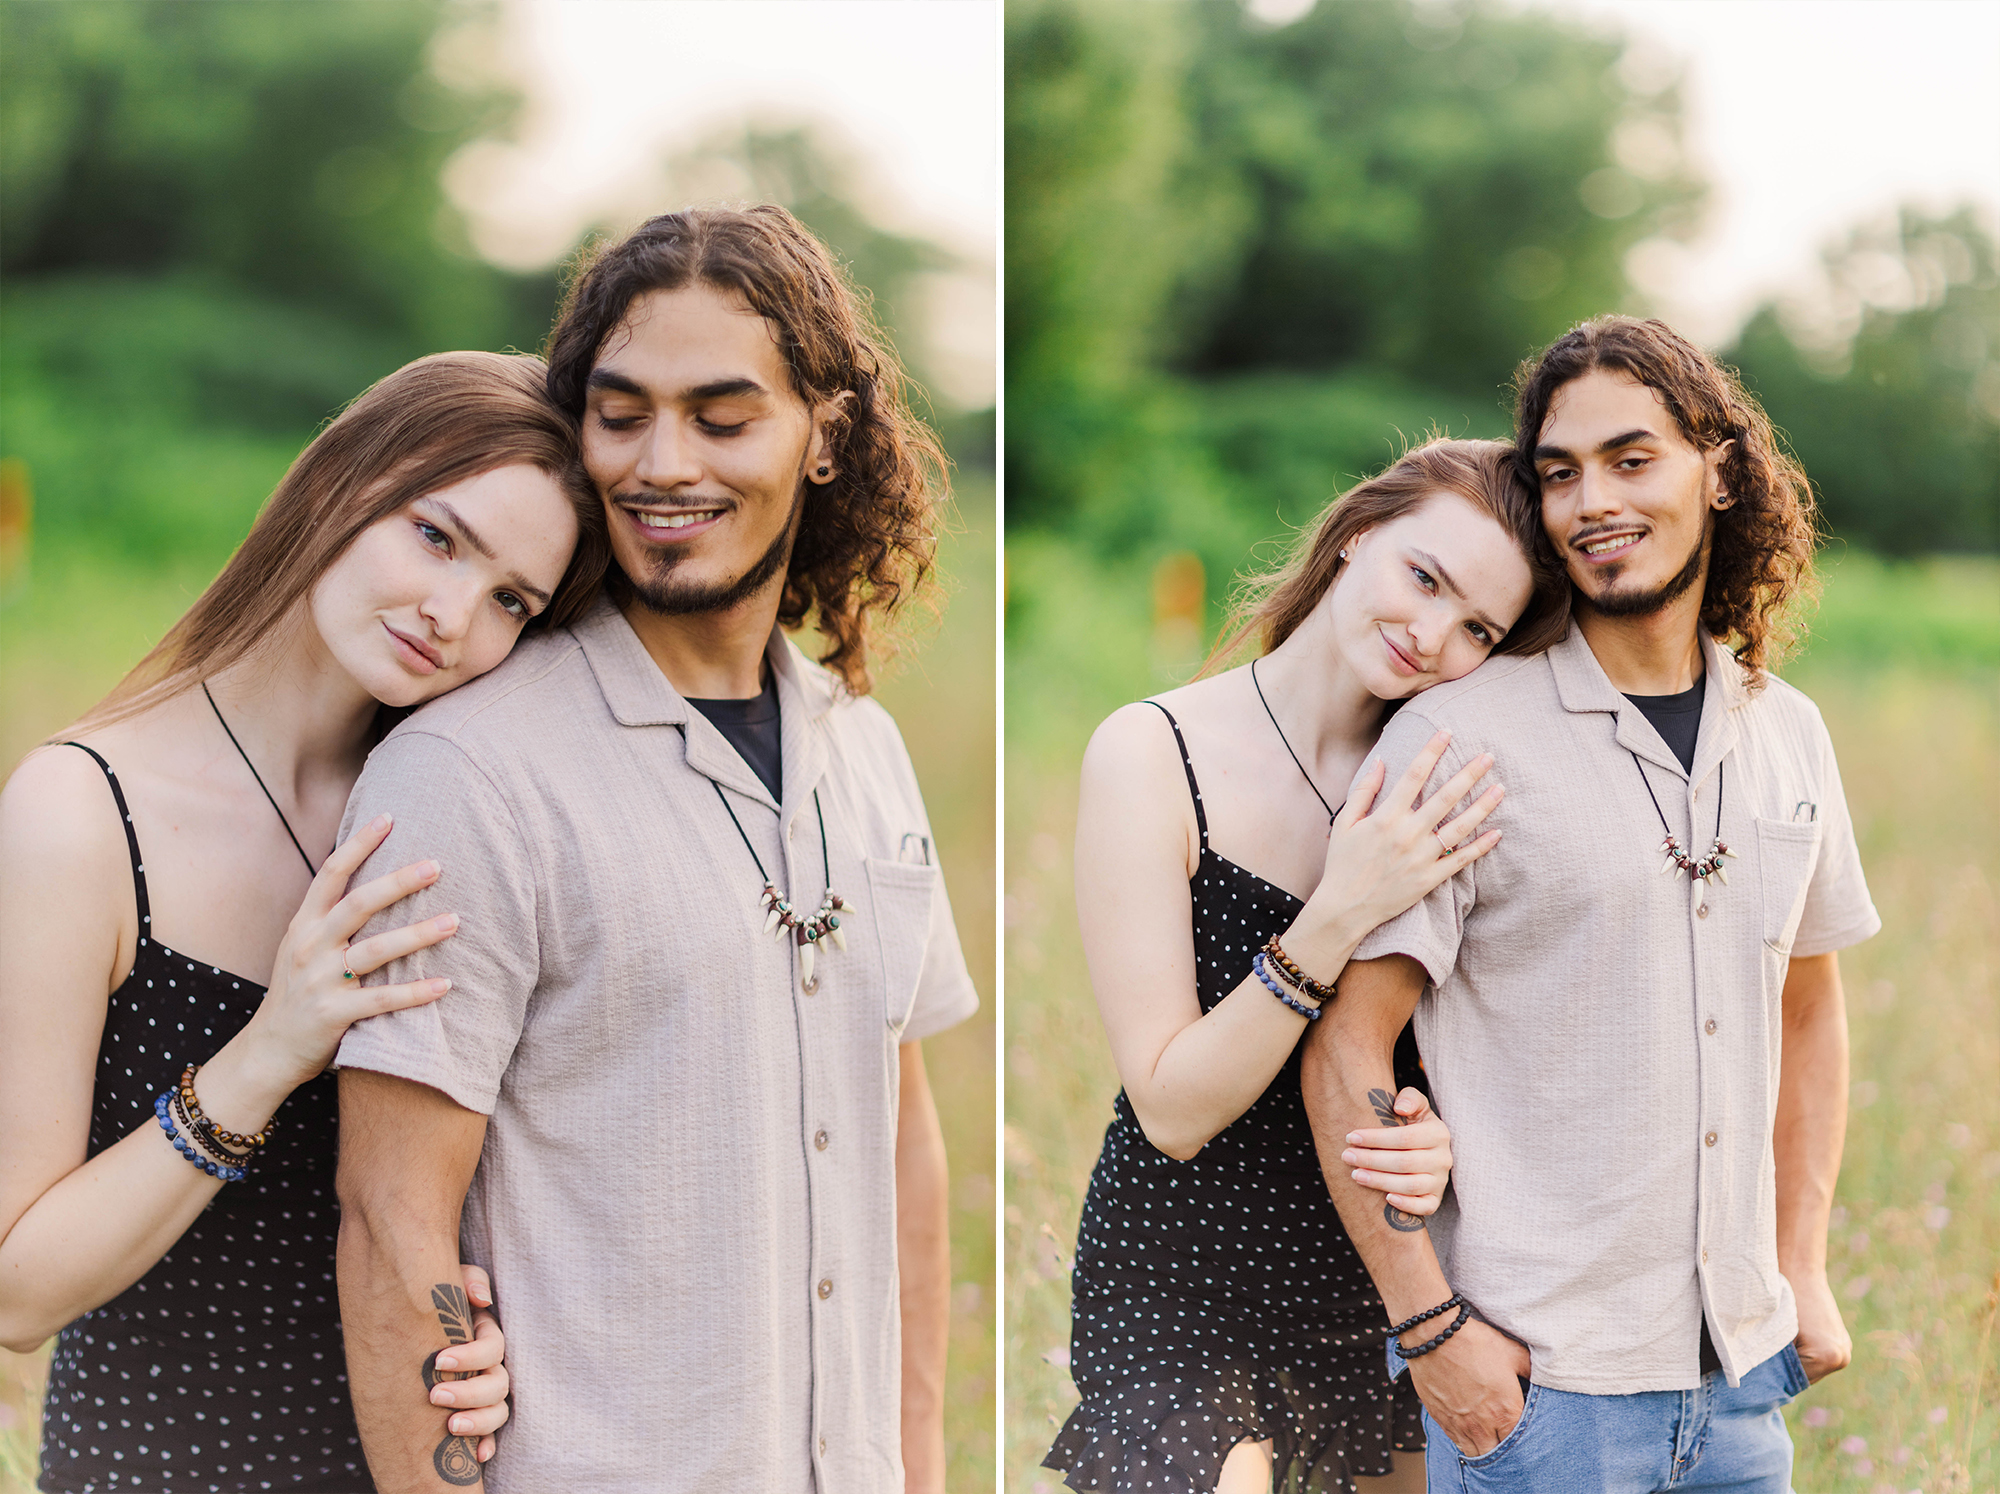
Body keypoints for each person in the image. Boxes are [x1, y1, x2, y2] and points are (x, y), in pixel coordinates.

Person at [329, 206, 979, 1494]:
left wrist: (916, 1466)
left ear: (825, 436)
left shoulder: (867, 748)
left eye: (722, 418)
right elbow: (390, 1218)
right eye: (620, 415)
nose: (659, 463)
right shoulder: (471, 772)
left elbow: (902, 1149)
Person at [0, 350, 608, 1492]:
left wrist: (481, 1333)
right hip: (162, 1465)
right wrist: (270, 1051)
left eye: (510, 602)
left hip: (409, 1458)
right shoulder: (79, 813)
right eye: (438, 537)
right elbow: (16, 1289)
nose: (451, 614)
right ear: (340, 481)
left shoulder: (456, 821)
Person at [1299, 316, 1878, 1493]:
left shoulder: (1789, 733)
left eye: (1630, 459)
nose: (1589, 501)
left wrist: (1801, 1263)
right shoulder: (1459, 736)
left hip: (1741, 1391)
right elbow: (1343, 1040)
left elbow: (1808, 1012)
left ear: (1716, 471)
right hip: (1539, 1400)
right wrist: (1433, 1337)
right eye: (1558, 474)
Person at [1042, 438, 1573, 1494]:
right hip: (1178, 1278)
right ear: (1357, 537)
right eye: (1423, 579)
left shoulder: (1453, 789)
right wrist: (1336, 912)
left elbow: (1476, 1044)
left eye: (1477, 629)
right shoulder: (1152, 754)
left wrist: (1433, 1138)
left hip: (1375, 1283)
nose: (1431, 636)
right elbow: (1170, 1107)